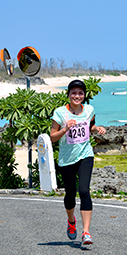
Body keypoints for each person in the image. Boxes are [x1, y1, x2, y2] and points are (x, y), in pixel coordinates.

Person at [50, 80, 106, 245]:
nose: (77, 96)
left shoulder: (89, 110)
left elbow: (90, 126)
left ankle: (86, 232)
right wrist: (65, 129)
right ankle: (71, 221)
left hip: (85, 155)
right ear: (68, 95)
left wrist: (97, 129)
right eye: (74, 93)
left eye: (80, 93)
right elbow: (52, 137)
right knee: (70, 195)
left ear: (84, 95)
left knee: (84, 191)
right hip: (66, 159)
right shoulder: (60, 113)